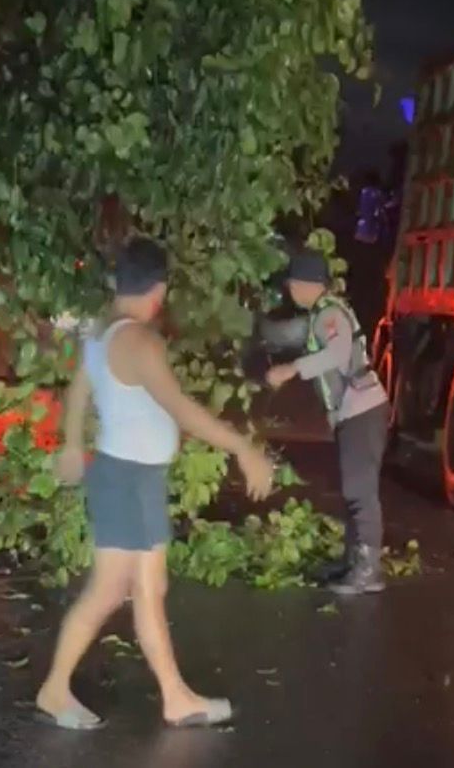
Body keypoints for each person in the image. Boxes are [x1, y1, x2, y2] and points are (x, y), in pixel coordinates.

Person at [36, 236, 275, 730]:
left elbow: (79, 391)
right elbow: (179, 407)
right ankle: (54, 691)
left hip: (132, 478)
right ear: (159, 291)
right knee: (108, 591)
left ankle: (176, 697)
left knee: (151, 587)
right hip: (126, 480)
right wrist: (242, 447)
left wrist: (71, 446)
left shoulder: (102, 333)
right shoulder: (139, 341)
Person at [264, 248, 390, 596]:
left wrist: (291, 369)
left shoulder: (329, 314)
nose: (289, 290)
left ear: (306, 284)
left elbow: (336, 354)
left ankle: (369, 569)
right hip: (356, 411)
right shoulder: (322, 313)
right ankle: (354, 560)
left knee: (359, 490)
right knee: (353, 489)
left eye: (291, 284)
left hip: (362, 410)